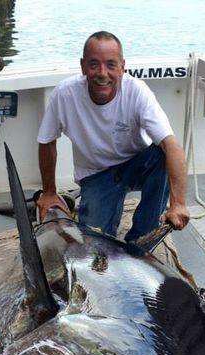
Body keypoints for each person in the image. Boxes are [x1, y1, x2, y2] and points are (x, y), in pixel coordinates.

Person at [36, 31, 190, 242]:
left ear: (122, 67)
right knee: (95, 242)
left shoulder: (137, 91)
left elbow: (172, 145)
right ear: (82, 66)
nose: (102, 73)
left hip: (135, 165)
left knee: (162, 155)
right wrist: (49, 192)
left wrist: (178, 204)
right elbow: (46, 141)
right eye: (94, 64)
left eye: (111, 64)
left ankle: (142, 237)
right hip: (95, 174)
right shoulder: (65, 94)